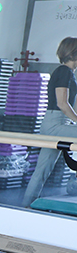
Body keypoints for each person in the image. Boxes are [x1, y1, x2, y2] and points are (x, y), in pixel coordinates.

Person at [23, 37, 77, 207]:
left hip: (54, 123)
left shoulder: (69, 73)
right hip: (55, 123)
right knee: (41, 170)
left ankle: (25, 206)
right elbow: (62, 103)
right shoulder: (64, 71)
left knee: (42, 170)